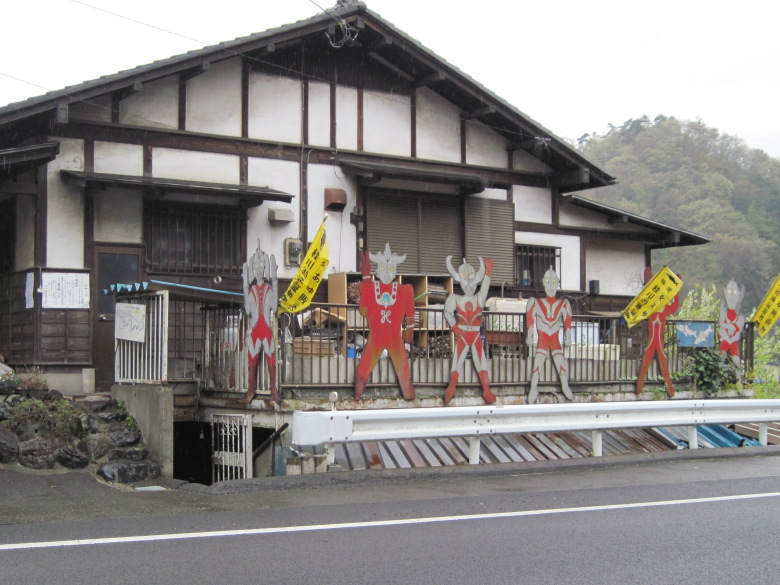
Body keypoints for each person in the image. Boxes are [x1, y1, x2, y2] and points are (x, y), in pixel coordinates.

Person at [354, 244, 416, 400]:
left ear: (395, 271)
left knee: (404, 371)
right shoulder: (371, 288)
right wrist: (366, 278)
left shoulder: (404, 290)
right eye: (383, 268)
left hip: (395, 337)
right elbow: (364, 310)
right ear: (377, 270)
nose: (387, 272)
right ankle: (357, 395)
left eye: (390, 268)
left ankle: (409, 396)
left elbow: (410, 311)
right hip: (376, 338)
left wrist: (409, 329)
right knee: (362, 371)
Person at [442, 256, 496, 404]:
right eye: (464, 278)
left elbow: (485, 286)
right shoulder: (456, 299)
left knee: (481, 361)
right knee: (457, 361)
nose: (468, 284)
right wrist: (455, 327)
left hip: (475, 334)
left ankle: (486, 389)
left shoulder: (479, 298)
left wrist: (488, 270)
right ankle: (451, 388)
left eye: (471, 278)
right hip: (463, 333)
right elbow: (447, 312)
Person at [525, 269, 573, 404]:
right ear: (543, 283)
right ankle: (533, 387)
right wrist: (530, 335)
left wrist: (568, 336)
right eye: (548, 282)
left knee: (560, 361)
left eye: (554, 282)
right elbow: (530, 320)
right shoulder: (535, 302)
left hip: (554, 338)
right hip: (543, 338)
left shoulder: (563, 304)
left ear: (557, 284)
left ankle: (565, 385)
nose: (551, 286)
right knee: (538, 362)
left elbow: (568, 321)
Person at [243, 243, 278, 403]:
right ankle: (250, 390)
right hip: (255, 330)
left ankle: (273, 389)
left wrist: (275, 279)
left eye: (261, 266)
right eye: (256, 266)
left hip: (266, 330)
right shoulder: (251, 290)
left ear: (264, 268)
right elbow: (248, 311)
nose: (258, 269)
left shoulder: (269, 288)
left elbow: (274, 307)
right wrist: (245, 286)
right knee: (252, 362)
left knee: (271, 361)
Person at [636, 269, 680, 397]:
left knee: (661, 362)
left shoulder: (663, 308)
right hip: (653, 339)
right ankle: (640, 386)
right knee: (647, 362)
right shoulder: (651, 307)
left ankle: (668, 387)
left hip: (658, 339)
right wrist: (647, 282)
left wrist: (676, 288)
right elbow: (643, 300)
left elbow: (674, 306)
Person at [718, 279, 745, 382]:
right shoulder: (724, 314)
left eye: (734, 292)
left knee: (736, 362)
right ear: (725, 293)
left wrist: (726, 325)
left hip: (733, 341)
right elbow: (722, 326)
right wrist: (729, 326)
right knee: (721, 360)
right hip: (725, 341)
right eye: (729, 292)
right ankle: (719, 381)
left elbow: (737, 328)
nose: (732, 296)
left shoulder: (740, 317)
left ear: (739, 294)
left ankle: (739, 381)